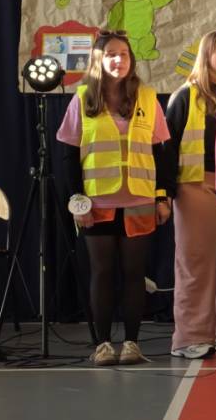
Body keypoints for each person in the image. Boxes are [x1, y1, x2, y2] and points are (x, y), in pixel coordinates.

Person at [57, 30, 172, 366]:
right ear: (98, 59)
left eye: (124, 54)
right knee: (102, 272)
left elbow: (161, 152)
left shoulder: (147, 97)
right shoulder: (82, 99)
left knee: (134, 272)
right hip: (97, 203)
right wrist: (78, 201)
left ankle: (132, 343)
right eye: (110, 54)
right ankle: (103, 344)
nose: (118, 60)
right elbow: (69, 155)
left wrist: (162, 197)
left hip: (139, 199)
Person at [164, 31, 216, 359]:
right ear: (206, 55)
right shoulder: (185, 95)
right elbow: (167, 147)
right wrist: (164, 194)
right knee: (196, 262)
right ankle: (190, 336)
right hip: (193, 185)